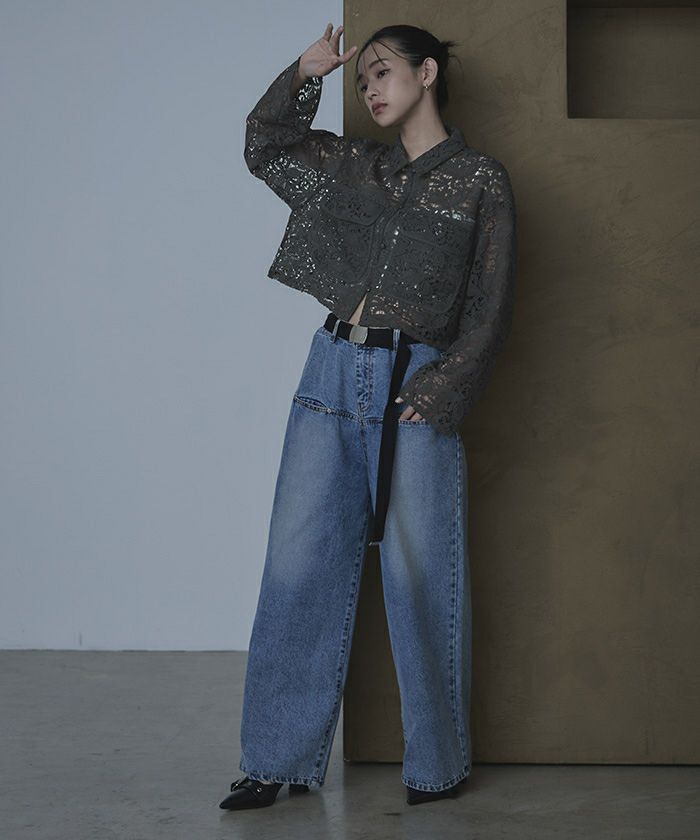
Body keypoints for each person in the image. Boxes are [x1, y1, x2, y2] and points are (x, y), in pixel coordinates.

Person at [219, 22, 517, 811]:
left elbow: (489, 307)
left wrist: (442, 389)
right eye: (364, 81)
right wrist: (305, 73)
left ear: (428, 73)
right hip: (329, 371)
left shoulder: (480, 181)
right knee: (298, 566)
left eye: (382, 73)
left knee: (421, 573)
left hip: (414, 383)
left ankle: (437, 766)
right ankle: (274, 760)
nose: (371, 89)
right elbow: (265, 147)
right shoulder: (356, 166)